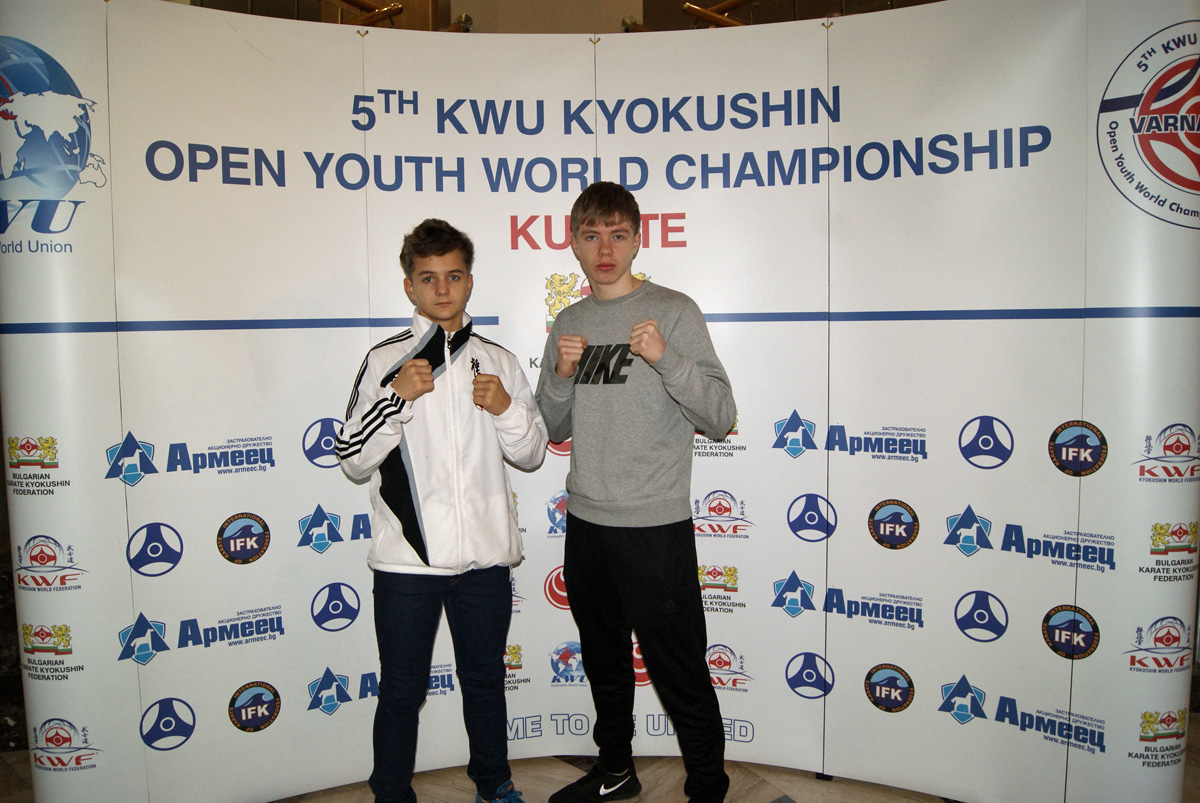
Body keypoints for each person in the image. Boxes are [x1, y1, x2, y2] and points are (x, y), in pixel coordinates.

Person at [535, 182, 735, 803]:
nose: (605, 250)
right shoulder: (569, 322)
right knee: (603, 660)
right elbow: (552, 427)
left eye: (618, 235)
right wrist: (561, 375)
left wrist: (666, 358)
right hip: (587, 524)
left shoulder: (673, 312)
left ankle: (708, 787)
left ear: (638, 240)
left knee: (680, 668)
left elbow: (721, 416)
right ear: (574, 243)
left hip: (653, 527)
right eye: (592, 236)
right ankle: (616, 770)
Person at [336, 219, 547, 803]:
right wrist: (394, 399)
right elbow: (352, 459)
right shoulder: (385, 360)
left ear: (469, 281)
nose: (443, 289)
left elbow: (531, 453)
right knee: (402, 689)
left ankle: (494, 784)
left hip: (484, 562)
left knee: (485, 682)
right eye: (428, 278)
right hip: (408, 565)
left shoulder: (499, 360)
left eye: (453, 276)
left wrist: (505, 408)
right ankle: (391, 793)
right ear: (410, 286)